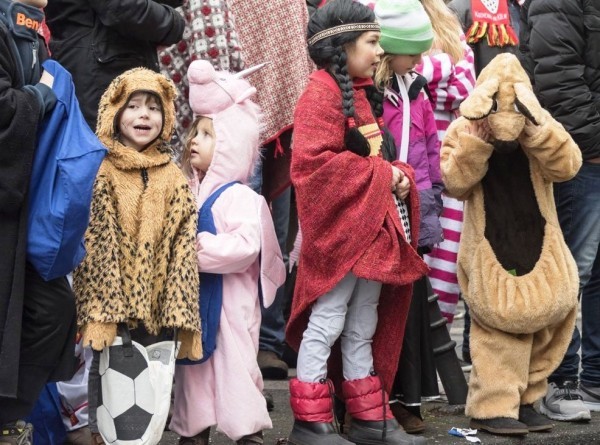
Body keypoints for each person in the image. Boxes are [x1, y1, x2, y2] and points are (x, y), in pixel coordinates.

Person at [285, 1, 430, 444]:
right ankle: (311, 422)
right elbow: (313, 168)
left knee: (364, 318)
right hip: (342, 236)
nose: (378, 49)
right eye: (370, 41)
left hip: (370, 231)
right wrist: (384, 174)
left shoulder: (358, 92)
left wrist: (398, 173)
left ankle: (369, 417)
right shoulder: (319, 94)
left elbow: (374, 157)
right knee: (328, 318)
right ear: (341, 46)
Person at [441, 52, 581, 436]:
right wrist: (475, 143)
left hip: (540, 241)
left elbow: (567, 166)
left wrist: (535, 129)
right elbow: (455, 183)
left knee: (545, 321)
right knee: (496, 329)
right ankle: (493, 406)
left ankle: (527, 399)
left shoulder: (539, 124)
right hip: (489, 245)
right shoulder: (463, 128)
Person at [73, 67, 202, 445]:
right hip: (114, 313)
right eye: (133, 106)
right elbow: (97, 247)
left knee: (151, 393)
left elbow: (183, 253)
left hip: (159, 309)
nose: (144, 115)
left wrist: (184, 321)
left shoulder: (173, 177)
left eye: (153, 107)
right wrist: (101, 315)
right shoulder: (103, 171)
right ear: (113, 112)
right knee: (108, 388)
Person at [168, 59, 286, 445]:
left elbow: (245, 247)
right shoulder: (189, 189)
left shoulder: (240, 197)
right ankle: (193, 427)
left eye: (207, 134)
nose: (195, 141)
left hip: (232, 307)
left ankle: (246, 430)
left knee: (234, 365)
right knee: (194, 366)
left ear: (231, 143)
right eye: (195, 133)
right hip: (195, 303)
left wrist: (195, 249)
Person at [518, 0, 600, 423]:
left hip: (591, 151)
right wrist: (594, 145)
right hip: (582, 157)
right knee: (569, 272)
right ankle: (557, 380)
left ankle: (594, 379)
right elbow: (557, 78)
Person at [0, 0, 77, 443]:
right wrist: (34, 98)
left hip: (24, 205)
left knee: (55, 310)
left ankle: (8, 416)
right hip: (8, 203)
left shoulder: (31, 31)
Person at [373, 0, 443, 434]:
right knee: (376, 307)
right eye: (414, 51)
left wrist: (431, 198)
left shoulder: (417, 91)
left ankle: (407, 396)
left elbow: (431, 149)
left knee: (411, 303)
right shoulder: (370, 95)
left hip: (414, 207)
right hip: (381, 210)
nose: (420, 61)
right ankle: (372, 395)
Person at [417, 0, 476, 325]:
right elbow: (387, 78)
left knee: (447, 254)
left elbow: (467, 90)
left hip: (448, 155)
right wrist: (444, 66)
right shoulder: (373, 7)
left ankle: (436, 336)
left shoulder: (447, 19)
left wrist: (424, 78)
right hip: (406, 149)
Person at [44, 0, 185, 130]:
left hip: (94, 66)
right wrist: (175, 23)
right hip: (100, 72)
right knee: (105, 151)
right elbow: (121, 7)